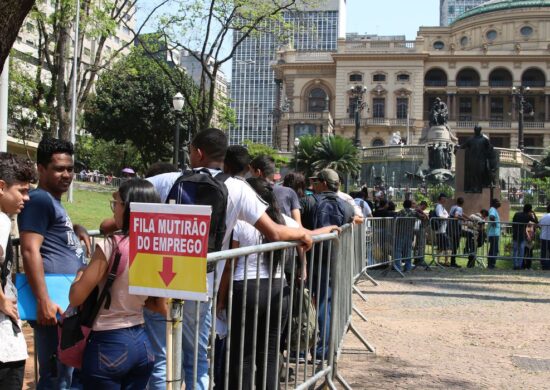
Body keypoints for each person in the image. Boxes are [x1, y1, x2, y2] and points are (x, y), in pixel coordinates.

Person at [146, 128, 312, 390]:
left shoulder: (168, 180)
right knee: (196, 359)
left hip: (159, 281)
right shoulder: (239, 188)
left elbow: (127, 198)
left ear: (198, 153)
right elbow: (275, 232)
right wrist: (303, 234)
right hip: (202, 284)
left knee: (161, 359)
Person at [217, 178, 337, 389]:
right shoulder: (287, 223)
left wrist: (220, 299)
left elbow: (230, 265)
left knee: (241, 353)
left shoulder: (241, 222)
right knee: (271, 353)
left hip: (246, 289)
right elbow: (307, 235)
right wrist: (328, 232)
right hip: (277, 290)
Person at [69, 179, 166, 389]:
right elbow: (160, 306)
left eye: (117, 203)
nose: (115, 209)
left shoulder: (111, 246)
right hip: (142, 344)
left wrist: (79, 275)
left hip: (108, 342)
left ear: (130, 207)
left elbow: (76, 296)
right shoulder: (155, 248)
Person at [18, 137, 91, 389]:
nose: (67, 175)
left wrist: (78, 228)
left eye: (70, 169)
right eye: (59, 168)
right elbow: (29, 250)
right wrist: (43, 301)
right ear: (41, 168)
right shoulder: (39, 200)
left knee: (66, 376)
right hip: (53, 307)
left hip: (66, 306)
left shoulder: (52, 202)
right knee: (55, 379)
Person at [300, 169, 354, 360]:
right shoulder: (346, 207)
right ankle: (324, 349)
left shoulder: (308, 201)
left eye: (316, 182)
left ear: (323, 183)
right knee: (325, 303)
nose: (313, 185)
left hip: (307, 257)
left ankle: (298, 348)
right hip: (332, 259)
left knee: (302, 303)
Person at [0, 153, 36, 389]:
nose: (26, 198)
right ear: (1, 187)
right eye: (21, 190)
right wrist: (2, 300)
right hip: (4, 348)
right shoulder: (2, 221)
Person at [250, 155, 302, 225]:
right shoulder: (289, 192)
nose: (251, 175)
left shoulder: (248, 192)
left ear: (258, 172)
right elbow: (298, 225)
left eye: (251, 172)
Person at [459, 125, 497, 193]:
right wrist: (458, 148)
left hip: (481, 160)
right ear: (474, 130)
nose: (476, 131)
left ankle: (480, 187)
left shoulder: (484, 140)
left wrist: (491, 159)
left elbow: (490, 149)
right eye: (475, 130)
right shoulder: (470, 139)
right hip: (472, 160)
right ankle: (473, 188)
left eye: (477, 130)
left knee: (480, 173)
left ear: (480, 130)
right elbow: (463, 146)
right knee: (472, 174)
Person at [394, 200, 419, 272]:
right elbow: (422, 217)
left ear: (403, 205)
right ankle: (408, 268)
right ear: (411, 205)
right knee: (408, 250)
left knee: (398, 250)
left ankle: (398, 267)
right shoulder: (414, 212)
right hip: (410, 233)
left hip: (400, 233)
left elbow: (395, 220)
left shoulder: (400, 212)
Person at [512, 204, 537, 270]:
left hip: (515, 234)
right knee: (521, 251)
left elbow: (513, 223)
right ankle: (520, 266)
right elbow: (536, 221)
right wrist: (533, 213)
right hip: (522, 236)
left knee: (515, 251)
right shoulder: (528, 216)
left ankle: (515, 265)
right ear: (530, 210)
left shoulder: (517, 214)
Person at [448, 197, 469, 268]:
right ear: (462, 203)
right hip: (456, 228)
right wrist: (463, 219)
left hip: (451, 227)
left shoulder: (453, 207)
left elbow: (461, 213)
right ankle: (453, 262)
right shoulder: (459, 208)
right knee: (455, 245)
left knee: (454, 245)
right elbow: (457, 216)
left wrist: (468, 218)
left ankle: (452, 261)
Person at [434, 193, 450, 266]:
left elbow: (447, 215)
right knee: (446, 247)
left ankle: (438, 261)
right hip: (441, 231)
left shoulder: (442, 207)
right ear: (440, 199)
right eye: (443, 199)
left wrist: (446, 216)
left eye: (445, 199)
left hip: (442, 230)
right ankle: (444, 261)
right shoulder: (439, 206)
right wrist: (446, 217)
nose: (445, 200)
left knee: (442, 247)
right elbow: (440, 216)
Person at [487, 198, 501, 269]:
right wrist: (494, 223)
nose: (499, 203)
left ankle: (492, 263)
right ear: (494, 203)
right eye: (498, 201)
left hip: (495, 233)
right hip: (493, 233)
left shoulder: (494, 209)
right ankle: (491, 264)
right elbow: (491, 216)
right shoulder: (492, 209)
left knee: (494, 249)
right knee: (493, 249)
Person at [539, 204, 550, 270]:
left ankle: (544, 266)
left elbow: (539, 225)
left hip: (544, 237)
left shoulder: (544, 216)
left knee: (544, 253)